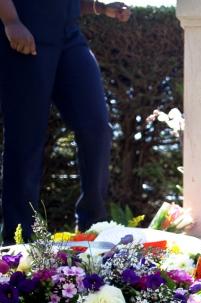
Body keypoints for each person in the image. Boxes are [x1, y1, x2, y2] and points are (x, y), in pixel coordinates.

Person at [0, 0, 130, 244]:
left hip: (68, 35)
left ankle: (93, 229)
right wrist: (10, 20)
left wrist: (100, 8)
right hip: (24, 32)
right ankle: (18, 242)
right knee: (26, 138)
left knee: (97, 127)